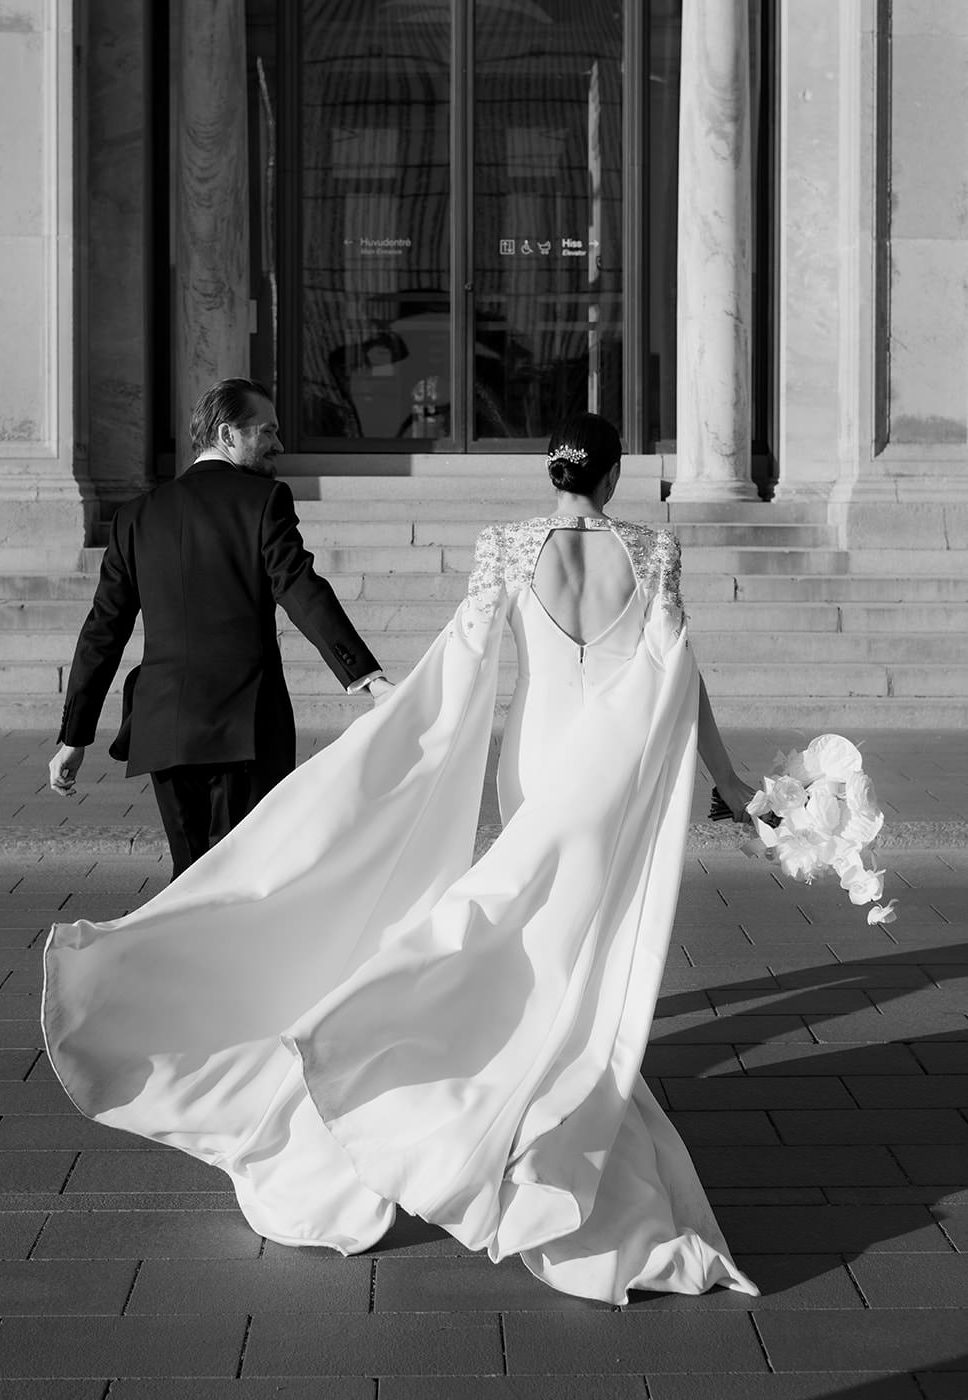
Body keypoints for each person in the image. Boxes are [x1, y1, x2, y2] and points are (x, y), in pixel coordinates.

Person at [43, 411, 760, 1306]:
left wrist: (393, 723)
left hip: (532, 763)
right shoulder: (654, 556)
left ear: (551, 474)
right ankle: (547, 1106)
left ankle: (475, 1084)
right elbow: (679, 675)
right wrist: (731, 783)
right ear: (612, 478)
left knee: (524, 927)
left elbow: (462, 660)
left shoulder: (504, 545)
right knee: (586, 944)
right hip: (605, 776)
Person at [48, 378, 390, 876]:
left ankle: (178, 954)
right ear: (228, 435)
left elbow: (103, 629)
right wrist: (368, 678)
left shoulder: (135, 517)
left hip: (164, 727)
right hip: (243, 725)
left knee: (189, 876)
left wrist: (73, 738)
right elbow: (301, 589)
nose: (278, 443)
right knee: (240, 877)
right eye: (267, 430)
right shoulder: (263, 500)